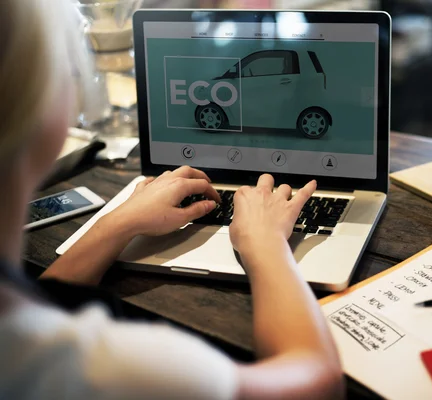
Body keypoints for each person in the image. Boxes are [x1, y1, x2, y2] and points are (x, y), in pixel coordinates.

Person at [0, 1, 343, 399]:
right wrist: (266, 245)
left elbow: (45, 301)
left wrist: (117, 223)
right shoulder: (110, 368)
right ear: (43, 109)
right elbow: (317, 382)